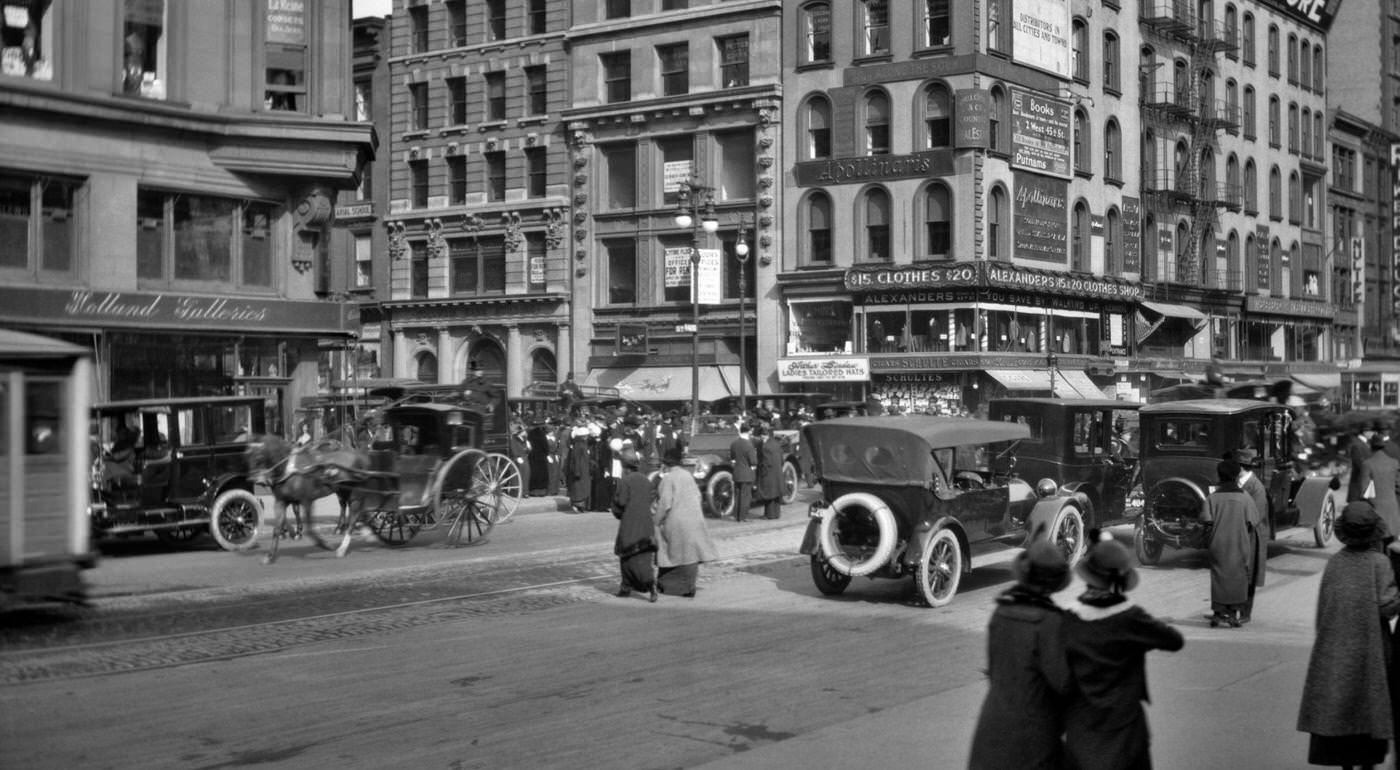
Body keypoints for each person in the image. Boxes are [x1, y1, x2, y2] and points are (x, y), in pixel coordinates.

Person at [1062, 531, 1185, 770]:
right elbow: (1173, 640)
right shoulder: (1131, 618)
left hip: (1081, 721)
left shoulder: (1068, 618)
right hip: (1124, 721)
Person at [1297, 501, 1399, 769]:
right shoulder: (1380, 563)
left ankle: (1345, 765)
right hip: (1370, 650)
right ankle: (1367, 763)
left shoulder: (1335, 563)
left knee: (1339, 708)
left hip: (1335, 649)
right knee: (1368, 707)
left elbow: (1323, 609)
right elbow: (1388, 607)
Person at [967, 541, 1073, 770]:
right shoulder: (1050, 621)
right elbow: (1063, 683)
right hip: (1032, 736)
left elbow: (994, 670)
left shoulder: (1002, 612)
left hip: (992, 725)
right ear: (1053, 583)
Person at [652, 446, 719, 598]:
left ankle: (668, 585)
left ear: (666, 464)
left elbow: (664, 504)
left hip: (676, 521)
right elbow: (698, 497)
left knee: (669, 552)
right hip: (694, 520)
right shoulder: (688, 476)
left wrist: (655, 522)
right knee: (690, 555)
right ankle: (689, 586)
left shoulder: (668, 479)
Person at [1200, 458, 1258, 628]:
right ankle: (1233, 614)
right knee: (1238, 576)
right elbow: (1253, 520)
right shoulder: (1245, 498)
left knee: (1218, 576)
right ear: (1236, 475)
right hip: (1240, 543)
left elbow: (1206, 520)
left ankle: (1218, 613)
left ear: (1219, 475)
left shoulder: (1213, 498)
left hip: (1218, 543)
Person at [611, 447, 658, 602]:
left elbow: (621, 502)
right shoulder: (645, 480)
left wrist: (616, 510)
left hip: (630, 524)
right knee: (644, 558)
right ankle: (651, 586)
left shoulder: (626, 481)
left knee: (626, 558)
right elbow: (651, 499)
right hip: (646, 523)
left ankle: (626, 587)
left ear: (625, 466)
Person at [1233, 448, 1270, 624]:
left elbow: (1256, 515)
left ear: (1242, 468)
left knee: (1249, 575)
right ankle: (1231, 611)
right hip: (1240, 533)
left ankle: (1245, 613)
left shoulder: (1256, 487)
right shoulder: (1238, 483)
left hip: (1252, 535)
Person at [1357, 434, 1400, 538]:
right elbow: (1398, 485)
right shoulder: (1394, 463)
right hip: (1392, 510)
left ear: (1371, 447)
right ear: (1383, 446)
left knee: (1376, 546)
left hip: (1375, 511)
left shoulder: (1367, 464)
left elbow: (1364, 491)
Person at [754, 424, 785, 520]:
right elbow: (781, 459)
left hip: (768, 472)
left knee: (768, 494)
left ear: (763, 435)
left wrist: (759, 469)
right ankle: (776, 514)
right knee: (776, 494)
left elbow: (764, 461)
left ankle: (769, 514)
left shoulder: (764, 446)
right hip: (777, 471)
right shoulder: (776, 443)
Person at [729, 422, 758, 522]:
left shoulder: (734, 443)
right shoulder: (749, 445)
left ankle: (736, 515)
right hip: (747, 473)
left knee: (737, 495)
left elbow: (732, 458)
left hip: (736, 472)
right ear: (749, 432)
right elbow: (754, 461)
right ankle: (743, 517)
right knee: (746, 496)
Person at [567, 418, 593, 513]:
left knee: (583, 487)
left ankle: (581, 505)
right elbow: (576, 459)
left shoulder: (583, 444)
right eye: (585, 436)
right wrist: (577, 471)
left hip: (584, 469)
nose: (586, 437)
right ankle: (576, 505)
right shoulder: (578, 445)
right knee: (578, 488)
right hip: (580, 470)